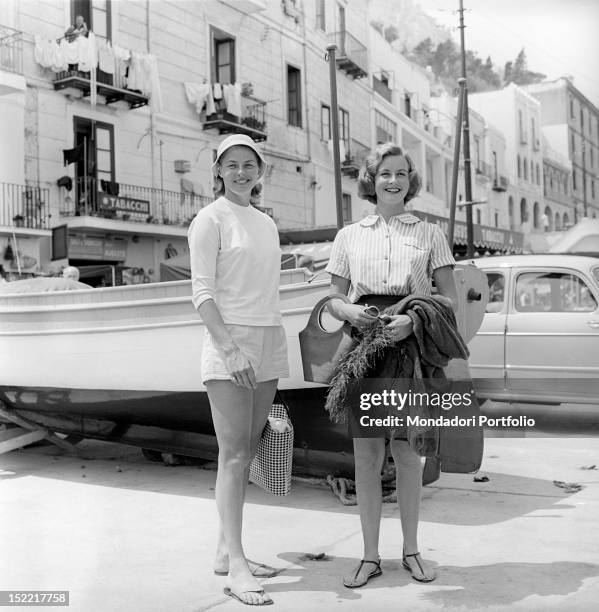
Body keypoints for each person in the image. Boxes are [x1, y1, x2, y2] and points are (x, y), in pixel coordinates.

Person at [325, 143, 459, 587]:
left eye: (401, 173)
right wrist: (348, 313)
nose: (393, 181)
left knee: (406, 452)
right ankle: (368, 556)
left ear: (410, 180)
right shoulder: (349, 235)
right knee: (366, 454)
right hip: (365, 347)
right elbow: (333, 298)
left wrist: (412, 320)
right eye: (385, 173)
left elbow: (450, 299)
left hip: (410, 348)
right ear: (371, 178)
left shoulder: (431, 234)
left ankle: (412, 552)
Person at [187, 133, 288, 606]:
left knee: (247, 451)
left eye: (250, 164)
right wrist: (230, 350)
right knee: (232, 454)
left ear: (260, 169)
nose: (242, 171)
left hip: (268, 337)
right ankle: (239, 566)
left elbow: (267, 288)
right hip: (231, 343)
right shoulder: (210, 220)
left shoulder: (266, 223)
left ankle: (225, 550)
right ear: (219, 171)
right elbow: (203, 294)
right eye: (233, 164)